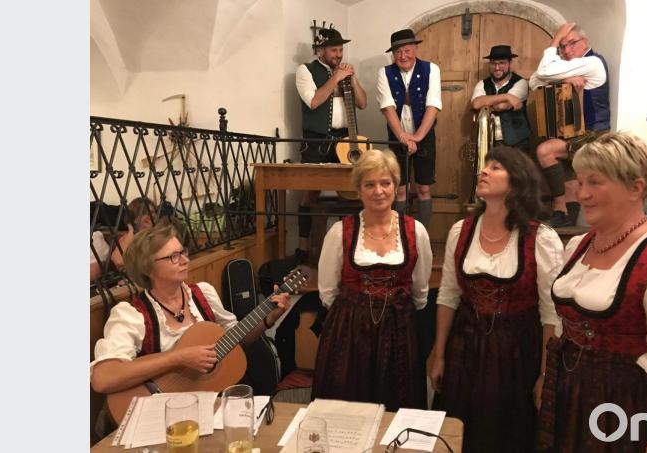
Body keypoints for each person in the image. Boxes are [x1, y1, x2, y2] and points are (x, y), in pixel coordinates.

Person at [537, 132, 647, 452]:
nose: (582, 194)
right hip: (568, 401)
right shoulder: (577, 247)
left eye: (595, 182)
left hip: (623, 415)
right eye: (580, 182)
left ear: (636, 187)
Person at [429, 146, 564, 452]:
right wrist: (438, 354)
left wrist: (545, 375)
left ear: (517, 182)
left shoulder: (540, 239)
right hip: (465, 348)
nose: (484, 171)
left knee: (507, 433)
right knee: (458, 428)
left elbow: (551, 315)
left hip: (517, 354)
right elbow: (449, 295)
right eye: (485, 166)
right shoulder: (460, 231)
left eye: (495, 167)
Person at [90, 222, 290, 394]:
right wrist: (179, 358)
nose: (185, 260)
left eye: (183, 252)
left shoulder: (203, 294)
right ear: (147, 268)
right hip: (161, 409)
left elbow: (236, 339)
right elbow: (103, 378)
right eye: (173, 256)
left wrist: (267, 319)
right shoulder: (132, 315)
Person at [312, 149, 433, 411]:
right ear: (359, 190)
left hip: (400, 330)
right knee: (347, 404)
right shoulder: (339, 231)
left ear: (396, 186)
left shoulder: (416, 231)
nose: (378, 191)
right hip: (349, 333)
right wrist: (355, 315)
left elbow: (420, 291)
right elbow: (328, 291)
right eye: (370, 184)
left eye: (385, 183)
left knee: (397, 405)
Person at [295, 27, 368, 261]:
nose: (339, 54)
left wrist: (353, 79)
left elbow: (363, 103)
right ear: (321, 50)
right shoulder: (305, 71)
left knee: (351, 191)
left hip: (345, 140)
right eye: (334, 50)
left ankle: (349, 245)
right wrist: (335, 78)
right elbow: (314, 101)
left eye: (341, 49)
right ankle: (305, 247)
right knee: (311, 193)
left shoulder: (345, 72)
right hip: (316, 140)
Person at [529, 22, 611, 227]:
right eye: (562, 46)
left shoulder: (593, 62)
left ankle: (559, 206)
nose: (567, 50)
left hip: (595, 133)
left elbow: (545, 71)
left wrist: (555, 39)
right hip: (574, 131)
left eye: (572, 43)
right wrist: (567, 77)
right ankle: (567, 216)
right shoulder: (571, 65)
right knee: (566, 166)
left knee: (545, 151)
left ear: (586, 42)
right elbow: (533, 81)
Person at [376, 28, 442, 226]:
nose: (402, 56)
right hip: (397, 137)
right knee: (400, 188)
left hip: (425, 137)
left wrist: (418, 137)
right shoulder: (384, 73)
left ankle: (422, 235)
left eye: (406, 50)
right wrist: (403, 137)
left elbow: (433, 105)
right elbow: (387, 108)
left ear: (415, 49)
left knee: (423, 188)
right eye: (397, 52)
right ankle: (401, 235)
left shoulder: (431, 69)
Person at [470, 45, 531, 147]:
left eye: (501, 63)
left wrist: (486, 104)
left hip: (517, 143)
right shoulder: (482, 84)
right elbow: (476, 104)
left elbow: (502, 106)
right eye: (493, 63)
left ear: (510, 63)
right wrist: (507, 96)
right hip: (490, 143)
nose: (497, 67)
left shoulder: (521, 83)